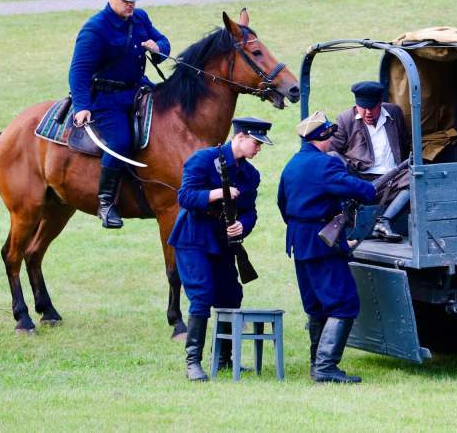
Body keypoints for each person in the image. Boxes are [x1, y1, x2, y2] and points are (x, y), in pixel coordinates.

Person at [278, 111, 376, 383]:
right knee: (344, 302)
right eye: (330, 135)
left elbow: (282, 204)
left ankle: (316, 364)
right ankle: (325, 368)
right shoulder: (326, 165)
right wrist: (373, 190)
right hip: (322, 242)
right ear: (323, 137)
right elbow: (359, 190)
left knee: (317, 305)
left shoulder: (292, 164)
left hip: (299, 240)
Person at [172, 116, 272, 381]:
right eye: (256, 142)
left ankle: (224, 359)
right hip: (194, 237)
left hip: (223, 240)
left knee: (231, 295)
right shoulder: (204, 160)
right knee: (202, 295)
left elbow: (250, 211)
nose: (258, 149)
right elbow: (185, 196)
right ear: (239, 137)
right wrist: (217, 193)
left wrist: (242, 226)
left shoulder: (251, 175)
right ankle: (193, 361)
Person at [68, 0, 171, 229]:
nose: (130, 6)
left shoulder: (140, 18)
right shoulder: (95, 29)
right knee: (120, 142)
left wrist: (156, 47)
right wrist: (82, 106)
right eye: (125, 1)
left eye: (133, 1)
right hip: (106, 99)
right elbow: (79, 71)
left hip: (138, 89)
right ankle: (105, 203)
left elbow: (164, 45)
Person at [331, 81, 411, 242]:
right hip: (362, 180)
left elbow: (405, 141)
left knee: (416, 178)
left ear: (380, 103)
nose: (367, 112)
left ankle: (384, 221)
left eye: (372, 107)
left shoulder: (394, 113)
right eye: (363, 107)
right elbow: (332, 150)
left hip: (394, 178)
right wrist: (348, 170)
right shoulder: (346, 119)